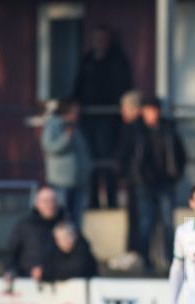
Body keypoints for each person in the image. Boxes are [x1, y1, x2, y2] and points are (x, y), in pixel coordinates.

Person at [119, 96, 187, 272]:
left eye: (155, 110)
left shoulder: (168, 129)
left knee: (167, 222)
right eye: (149, 110)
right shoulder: (134, 130)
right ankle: (145, 261)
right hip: (143, 183)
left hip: (165, 182)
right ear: (143, 111)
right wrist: (131, 177)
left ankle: (171, 262)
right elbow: (123, 155)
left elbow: (180, 154)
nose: (153, 115)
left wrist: (176, 174)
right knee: (145, 223)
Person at [71, 25, 133, 210]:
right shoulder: (88, 60)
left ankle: (111, 200)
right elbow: (78, 85)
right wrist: (74, 106)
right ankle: (93, 200)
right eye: (96, 38)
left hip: (108, 118)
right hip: (88, 118)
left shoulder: (117, 60)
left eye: (103, 39)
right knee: (90, 160)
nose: (99, 42)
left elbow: (123, 86)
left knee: (107, 159)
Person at [41, 99, 92, 229]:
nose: (77, 115)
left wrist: (87, 169)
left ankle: (74, 245)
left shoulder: (75, 127)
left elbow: (83, 151)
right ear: (65, 111)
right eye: (74, 111)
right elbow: (50, 148)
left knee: (76, 218)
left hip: (77, 180)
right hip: (61, 181)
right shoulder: (53, 126)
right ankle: (61, 245)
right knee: (61, 217)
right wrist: (65, 138)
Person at [110, 90, 144, 269]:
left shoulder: (134, 129)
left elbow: (125, 155)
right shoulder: (134, 128)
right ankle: (135, 254)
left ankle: (135, 255)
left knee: (137, 219)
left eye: (125, 108)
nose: (122, 112)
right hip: (135, 180)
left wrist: (122, 174)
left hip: (136, 181)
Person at [4, 186, 64, 286]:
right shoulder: (25, 225)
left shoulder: (66, 224)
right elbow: (11, 253)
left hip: (61, 284)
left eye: (53, 200)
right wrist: (10, 270)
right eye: (45, 201)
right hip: (28, 283)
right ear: (37, 204)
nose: (50, 204)